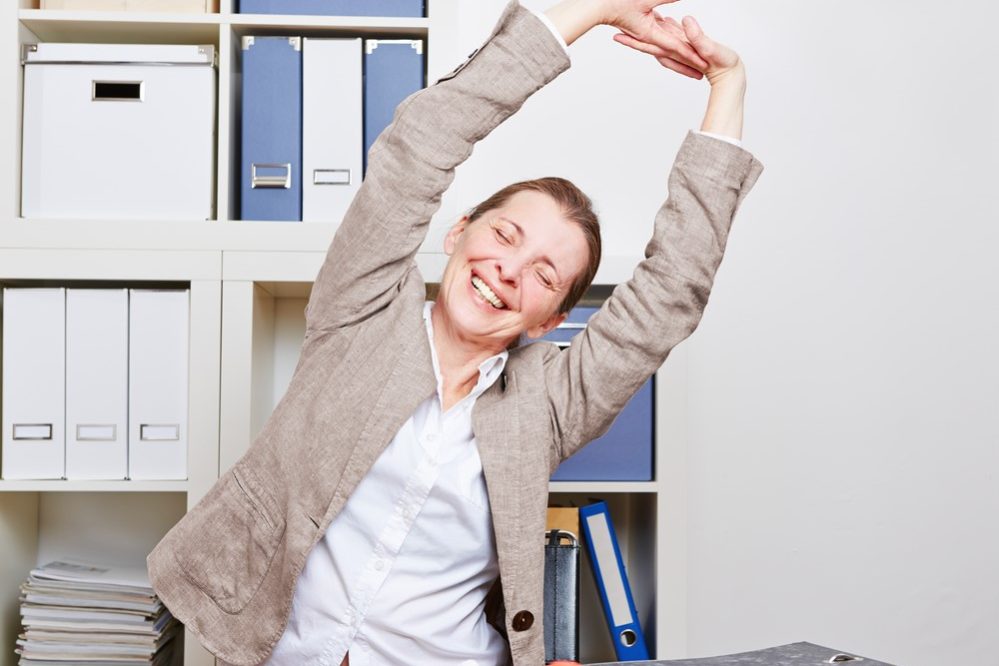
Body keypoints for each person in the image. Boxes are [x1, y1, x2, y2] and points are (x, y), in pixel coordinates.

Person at [146, 0, 763, 664]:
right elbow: (424, 140)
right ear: (457, 230)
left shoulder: (548, 407)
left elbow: (671, 294)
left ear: (550, 319)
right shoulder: (362, 308)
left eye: (543, 274)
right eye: (504, 235)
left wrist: (727, 86)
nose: (508, 270)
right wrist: (595, 10)